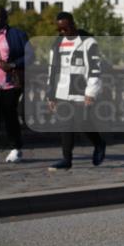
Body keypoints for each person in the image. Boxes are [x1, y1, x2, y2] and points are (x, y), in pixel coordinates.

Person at [46, 12, 106, 170]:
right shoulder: (57, 43)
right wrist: (51, 95)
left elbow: (95, 68)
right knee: (65, 125)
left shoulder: (88, 42)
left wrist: (91, 92)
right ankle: (67, 160)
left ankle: (99, 143)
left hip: (82, 90)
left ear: (73, 24)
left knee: (83, 122)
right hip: (62, 91)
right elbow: (52, 70)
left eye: (65, 28)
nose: (63, 33)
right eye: (60, 30)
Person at [0, 6, 29, 162]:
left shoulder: (16, 35)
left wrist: (13, 65)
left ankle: (15, 147)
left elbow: (30, 55)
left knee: (10, 117)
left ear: (5, 18)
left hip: (10, 84)